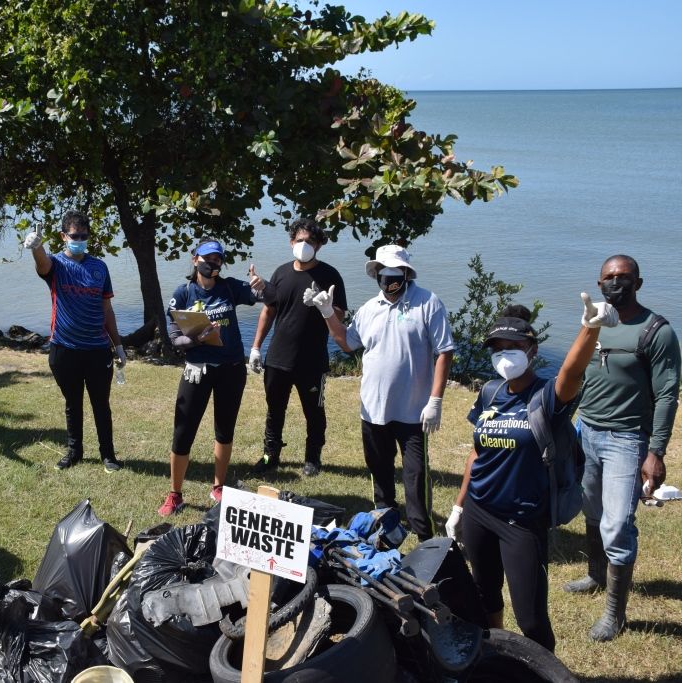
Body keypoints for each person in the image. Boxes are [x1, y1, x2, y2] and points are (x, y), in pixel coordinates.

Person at [444, 299, 618, 651]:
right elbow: (478, 453)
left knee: (532, 618)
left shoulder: (547, 396)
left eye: (514, 347)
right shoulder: (490, 392)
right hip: (479, 511)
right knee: (485, 595)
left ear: (533, 350)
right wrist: (460, 508)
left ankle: (542, 670)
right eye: (498, 348)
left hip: (521, 522)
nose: (505, 355)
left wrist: (590, 327)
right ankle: (495, 654)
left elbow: (571, 372)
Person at [565, 255, 680, 642]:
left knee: (617, 525)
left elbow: (667, 394)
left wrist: (656, 451)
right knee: (591, 508)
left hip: (627, 440)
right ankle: (596, 574)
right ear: (599, 285)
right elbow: (576, 372)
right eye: (609, 278)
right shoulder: (594, 321)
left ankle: (615, 614)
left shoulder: (656, 330)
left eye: (624, 278)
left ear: (638, 283)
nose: (616, 283)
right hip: (587, 430)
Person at [306, 244, 453, 541]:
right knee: (380, 476)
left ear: (406, 274)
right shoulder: (369, 309)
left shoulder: (428, 303)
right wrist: (326, 313)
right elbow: (347, 343)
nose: (389, 280)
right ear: (376, 275)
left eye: (395, 274)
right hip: (373, 411)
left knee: (416, 482)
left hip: (414, 413)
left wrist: (435, 400)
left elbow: (444, 351)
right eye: (383, 273)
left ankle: (428, 542)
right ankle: (386, 534)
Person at [158, 238, 268, 516]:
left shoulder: (230, 287)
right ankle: (175, 494)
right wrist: (197, 340)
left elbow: (269, 297)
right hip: (196, 371)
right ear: (195, 259)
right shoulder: (183, 293)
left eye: (218, 259)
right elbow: (174, 340)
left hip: (231, 370)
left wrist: (262, 286)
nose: (213, 264)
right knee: (183, 433)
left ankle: (218, 487)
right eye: (207, 258)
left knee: (224, 430)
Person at [24, 210, 126, 472]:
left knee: (101, 405)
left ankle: (108, 455)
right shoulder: (56, 264)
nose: (79, 239)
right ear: (63, 236)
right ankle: (74, 451)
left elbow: (107, 310)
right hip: (64, 349)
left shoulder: (99, 267)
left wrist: (118, 345)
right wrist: (37, 246)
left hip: (97, 350)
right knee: (73, 403)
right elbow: (42, 264)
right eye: (74, 235)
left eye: (83, 236)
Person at [248, 217, 346, 477]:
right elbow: (269, 311)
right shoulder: (280, 273)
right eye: (300, 240)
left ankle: (312, 458)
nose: (304, 245)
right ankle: (271, 455)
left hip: (312, 361)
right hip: (278, 358)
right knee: (274, 411)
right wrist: (256, 347)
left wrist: (323, 305)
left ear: (319, 246)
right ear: (291, 242)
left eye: (310, 242)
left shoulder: (329, 275)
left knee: (314, 413)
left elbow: (340, 316)